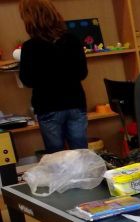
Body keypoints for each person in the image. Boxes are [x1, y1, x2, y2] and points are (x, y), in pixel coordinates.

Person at [18, 0, 88, 154]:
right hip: (75, 103)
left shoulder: (30, 46)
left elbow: (27, 80)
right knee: (81, 154)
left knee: (57, 157)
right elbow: (82, 73)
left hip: (48, 106)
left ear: (29, 20)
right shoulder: (72, 39)